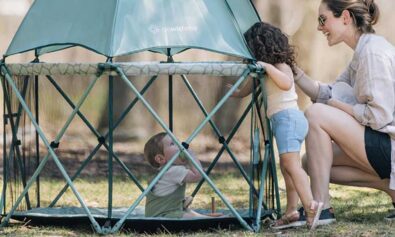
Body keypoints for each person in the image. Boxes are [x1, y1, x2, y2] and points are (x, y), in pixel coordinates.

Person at [294, 0, 395, 225]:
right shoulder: (362, 52)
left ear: (346, 18)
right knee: (310, 163)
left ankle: (321, 208)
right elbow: (329, 92)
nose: (320, 27)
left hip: (389, 142)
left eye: (323, 19)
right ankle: (391, 188)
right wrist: (293, 71)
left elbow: (379, 117)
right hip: (383, 146)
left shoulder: (372, 53)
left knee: (316, 114)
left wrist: (336, 106)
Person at [229, 22, 323, 230]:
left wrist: (268, 67)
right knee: (287, 166)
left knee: (291, 166)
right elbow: (249, 88)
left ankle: (311, 205)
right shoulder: (265, 72)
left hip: (289, 119)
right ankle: (291, 210)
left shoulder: (280, 66)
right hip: (283, 121)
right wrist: (235, 92)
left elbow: (286, 83)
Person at [143, 132, 207, 218]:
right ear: (161, 158)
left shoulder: (164, 172)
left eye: (178, 142)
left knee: (188, 212)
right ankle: (206, 220)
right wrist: (190, 155)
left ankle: (204, 218)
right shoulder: (173, 171)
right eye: (173, 144)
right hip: (165, 216)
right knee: (187, 216)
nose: (180, 147)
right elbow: (198, 175)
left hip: (159, 214)